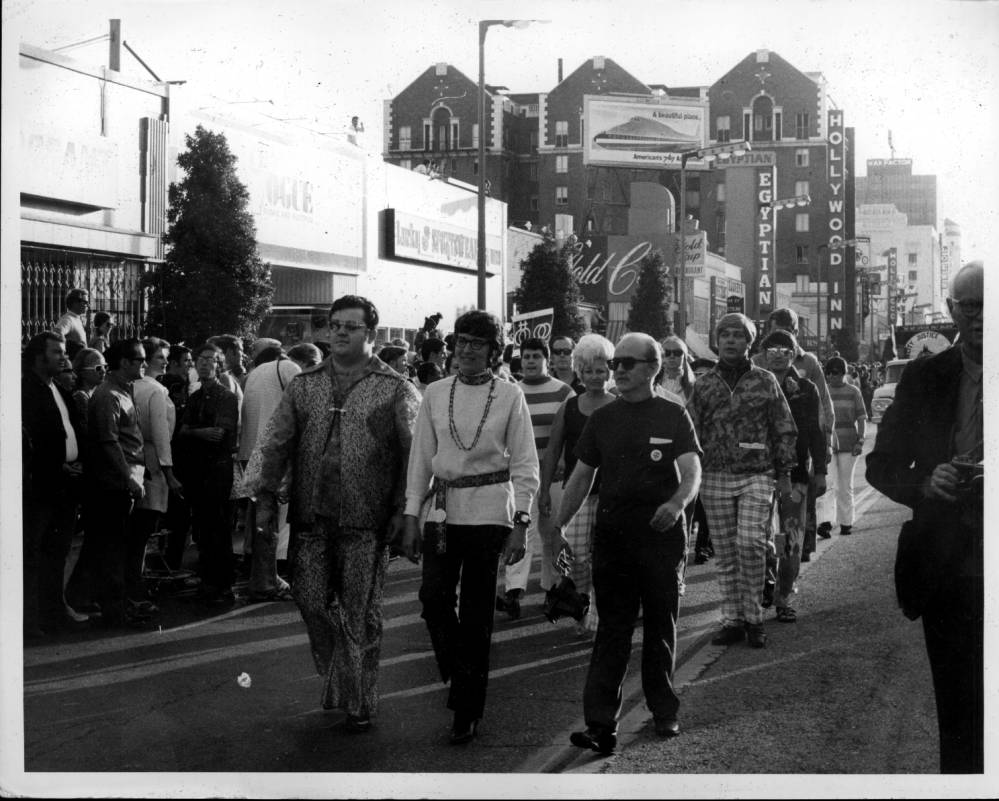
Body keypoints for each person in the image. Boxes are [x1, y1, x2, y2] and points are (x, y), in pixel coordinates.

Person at [246, 295, 420, 733]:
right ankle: (344, 676)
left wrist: (404, 511)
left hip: (367, 520)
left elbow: (413, 457)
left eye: (351, 326)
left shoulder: (395, 387)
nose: (340, 332)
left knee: (360, 610)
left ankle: (359, 700)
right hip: (310, 518)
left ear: (371, 334)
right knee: (309, 601)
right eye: (335, 325)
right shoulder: (305, 384)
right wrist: (264, 496)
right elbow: (275, 442)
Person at [551, 332, 702, 754]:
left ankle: (664, 710)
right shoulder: (603, 418)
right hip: (614, 538)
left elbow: (692, 471)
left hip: (660, 538)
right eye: (614, 362)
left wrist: (676, 503)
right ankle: (601, 725)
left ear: (653, 368)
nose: (617, 369)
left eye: (626, 363)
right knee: (612, 631)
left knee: (659, 627)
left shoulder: (673, 415)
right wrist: (556, 527)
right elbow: (581, 477)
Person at [866, 261, 983, 774]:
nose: (982, 318)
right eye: (971, 306)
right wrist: (925, 482)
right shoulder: (923, 377)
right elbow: (881, 465)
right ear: (953, 310)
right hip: (950, 570)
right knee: (959, 714)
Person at [401, 310, 538, 745]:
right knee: (433, 597)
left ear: (494, 351)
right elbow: (421, 459)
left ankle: (467, 709)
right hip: (441, 513)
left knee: (478, 614)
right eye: (461, 341)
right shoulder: (436, 393)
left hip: (490, 515)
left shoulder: (510, 396)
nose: (466, 349)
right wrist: (409, 516)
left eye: (477, 343)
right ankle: (462, 674)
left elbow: (525, 464)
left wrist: (521, 523)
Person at [689, 313, 797, 649]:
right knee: (725, 552)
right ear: (717, 341)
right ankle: (733, 620)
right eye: (726, 335)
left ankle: (754, 619)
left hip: (757, 474)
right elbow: (690, 430)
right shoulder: (703, 384)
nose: (732, 341)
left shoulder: (765, 380)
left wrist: (785, 474)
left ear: (749, 343)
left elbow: (783, 427)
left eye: (739, 336)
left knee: (750, 544)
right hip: (715, 476)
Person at [538, 334, 616, 635]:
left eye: (600, 370)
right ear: (579, 372)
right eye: (588, 370)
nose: (595, 376)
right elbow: (553, 451)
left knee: (606, 559)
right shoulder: (569, 408)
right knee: (578, 556)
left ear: (609, 372)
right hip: (578, 497)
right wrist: (544, 489)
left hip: (612, 496)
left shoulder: (619, 406)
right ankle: (582, 604)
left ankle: (598, 617)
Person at [496, 337, 573, 619]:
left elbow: (569, 430)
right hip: (522, 478)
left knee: (553, 533)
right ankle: (514, 592)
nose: (530, 361)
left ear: (547, 360)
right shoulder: (510, 392)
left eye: (536, 356)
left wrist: (564, 457)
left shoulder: (563, 391)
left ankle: (553, 588)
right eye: (526, 356)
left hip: (553, 475)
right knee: (522, 532)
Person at [757, 330, 826, 623]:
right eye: (771, 349)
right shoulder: (752, 385)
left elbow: (816, 433)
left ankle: (784, 596)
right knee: (760, 539)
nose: (777, 355)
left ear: (794, 353)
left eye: (784, 349)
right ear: (763, 354)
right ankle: (764, 589)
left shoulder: (807, 389)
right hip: (757, 474)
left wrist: (820, 471)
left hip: (796, 475)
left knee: (792, 540)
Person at [754, 307, 834, 562]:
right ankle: (771, 568)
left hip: (801, 451)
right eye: (775, 331)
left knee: (801, 510)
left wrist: (827, 448)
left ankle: (799, 553)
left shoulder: (808, 363)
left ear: (796, 332)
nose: (779, 344)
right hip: (762, 459)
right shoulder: (756, 362)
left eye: (787, 332)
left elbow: (822, 405)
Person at [21, 331, 86, 638]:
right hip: (41, 488)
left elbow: (72, 429)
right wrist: (55, 464)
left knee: (57, 554)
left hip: (66, 486)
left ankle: (54, 612)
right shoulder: (25, 390)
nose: (64, 357)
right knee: (33, 555)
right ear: (39, 356)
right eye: (57, 352)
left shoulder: (58, 388)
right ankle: (30, 622)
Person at [83, 338, 150, 628]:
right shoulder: (109, 395)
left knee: (117, 545)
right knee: (113, 547)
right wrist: (129, 478)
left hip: (126, 479)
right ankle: (114, 611)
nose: (144, 364)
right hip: (114, 484)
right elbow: (108, 441)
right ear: (124, 362)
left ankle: (117, 605)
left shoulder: (124, 390)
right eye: (140, 360)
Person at [238, 343, 300, 602]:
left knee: (261, 522)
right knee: (271, 522)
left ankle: (264, 578)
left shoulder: (253, 374)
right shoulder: (287, 367)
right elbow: (301, 404)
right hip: (275, 455)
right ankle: (265, 582)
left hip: (251, 455)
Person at [178, 343, 239, 604]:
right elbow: (183, 431)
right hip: (198, 470)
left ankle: (222, 585)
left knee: (218, 527)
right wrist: (197, 432)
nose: (203, 364)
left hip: (217, 469)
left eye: (210, 360)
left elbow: (219, 434)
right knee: (203, 527)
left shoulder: (225, 397)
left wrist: (194, 432)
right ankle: (208, 581)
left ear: (219, 365)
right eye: (200, 359)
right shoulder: (195, 397)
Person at [129, 338, 183, 615]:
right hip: (152, 464)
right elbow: (162, 435)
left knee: (134, 529)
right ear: (147, 360)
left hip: (135, 460)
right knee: (143, 529)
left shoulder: (133, 387)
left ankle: (132, 583)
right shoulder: (156, 390)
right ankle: (134, 585)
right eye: (160, 357)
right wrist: (169, 473)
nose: (164, 361)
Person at [818, 356, 868, 537]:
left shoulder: (854, 392)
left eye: (836, 372)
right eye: (829, 372)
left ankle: (846, 522)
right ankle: (825, 522)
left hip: (849, 445)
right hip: (828, 446)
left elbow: (862, 418)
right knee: (828, 484)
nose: (832, 376)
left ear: (844, 373)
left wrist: (861, 440)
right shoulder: (823, 392)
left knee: (845, 486)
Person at [656, 335, 695, 404]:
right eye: (667, 352)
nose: (672, 356)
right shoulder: (653, 382)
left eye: (677, 353)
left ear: (684, 356)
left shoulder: (693, 385)